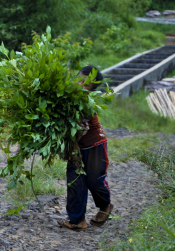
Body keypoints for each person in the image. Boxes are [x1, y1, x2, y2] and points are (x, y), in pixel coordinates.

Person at [58, 65, 113, 231]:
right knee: (75, 181)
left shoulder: (88, 102)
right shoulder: (65, 95)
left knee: (94, 181)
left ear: (92, 90)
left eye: (86, 85)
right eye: (79, 80)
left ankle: (105, 206)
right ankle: (77, 221)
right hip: (76, 147)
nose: (80, 85)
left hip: (95, 145)